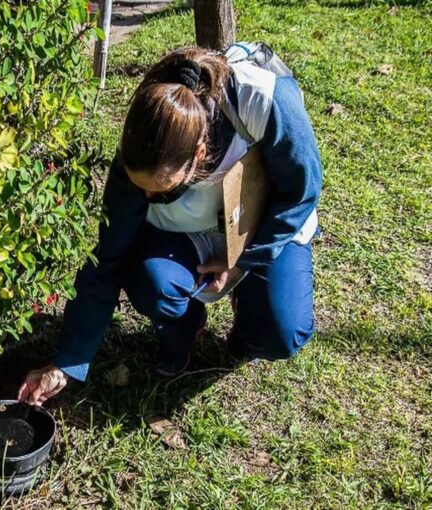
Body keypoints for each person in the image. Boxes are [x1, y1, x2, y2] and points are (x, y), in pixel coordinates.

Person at [17, 45, 322, 406]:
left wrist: (242, 261)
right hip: (189, 232)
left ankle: (249, 326)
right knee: (152, 283)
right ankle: (187, 326)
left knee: (281, 331)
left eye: (161, 191)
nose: (146, 197)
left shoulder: (264, 100)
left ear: (199, 155)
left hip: (262, 223)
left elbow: (301, 193)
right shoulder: (139, 153)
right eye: (141, 189)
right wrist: (66, 363)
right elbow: (107, 262)